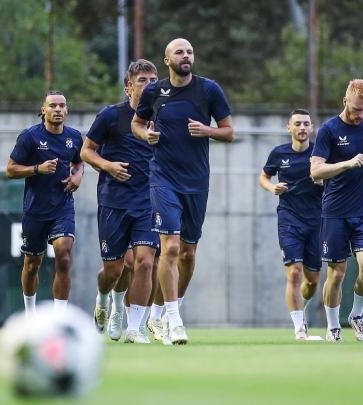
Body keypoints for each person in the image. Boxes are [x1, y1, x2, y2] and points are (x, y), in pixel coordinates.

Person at [132, 38, 233, 344]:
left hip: (197, 182)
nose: (186, 56)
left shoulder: (209, 90)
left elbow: (229, 131)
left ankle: (161, 314)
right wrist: (145, 135)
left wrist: (207, 130)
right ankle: (175, 321)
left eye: (189, 51)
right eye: (179, 52)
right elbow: (137, 123)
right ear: (167, 60)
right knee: (171, 247)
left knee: (188, 254)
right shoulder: (154, 92)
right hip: (163, 178)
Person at [81, 59, 159, 344]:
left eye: (153, 81)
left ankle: (134, 327)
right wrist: (108, 166)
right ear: (129, 87)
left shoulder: (163, 118)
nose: (149, 86)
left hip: (149, 202)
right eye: (142, 81)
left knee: (145, 263)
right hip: (113, 201)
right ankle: (106, 300)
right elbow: (86, 151)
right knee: (115, 269)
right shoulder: (110, 115)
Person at [310, 79, 363, 342]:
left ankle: (356, 315)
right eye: (355, 109)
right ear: (345, 101)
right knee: (337, 273)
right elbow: (316, 171)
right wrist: (347, 163)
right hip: (335, 211)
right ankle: (333, 326)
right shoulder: (328, 130)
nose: (359, 116)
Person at [6, 91, 83, 315]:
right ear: (43, 110)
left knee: (64, 256)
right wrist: (37, 169)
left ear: (66, 110)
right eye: (53, 106)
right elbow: (10, 169)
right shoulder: (29, 137)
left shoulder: (74, 137)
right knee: (32, 264)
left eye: (62, 105)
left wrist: (78, 176)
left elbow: (79, 162)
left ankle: (59, 317)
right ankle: (30, 316)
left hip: (63, 206)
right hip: (35, 209)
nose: (58, 109)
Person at [259, 109, 322, 340]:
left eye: (306, 124)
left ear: (311, 128)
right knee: (294, 273)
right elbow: (263, 177)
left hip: (317, 221)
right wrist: (271, 187)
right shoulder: (279, 153)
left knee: (312, 281)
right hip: (289, 219)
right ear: (289, 127)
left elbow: (335, 177)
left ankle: (301, 305)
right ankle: (299, 329)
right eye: (297, 124)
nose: (302, 128)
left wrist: (323, 180)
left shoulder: (320, 152)